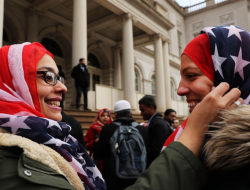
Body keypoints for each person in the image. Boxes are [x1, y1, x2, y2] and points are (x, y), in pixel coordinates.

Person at [126, 25, 250, 190]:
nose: (179, 90)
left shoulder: (240, 159)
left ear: (229, 73)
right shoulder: (192, 136)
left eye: (191, 76)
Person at [0, 42, 106, 190]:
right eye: (48, 76)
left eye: (58, 78)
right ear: (13, 82)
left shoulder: (60, 137)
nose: (63, 88)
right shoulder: (10, 159)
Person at [95, 100, 148, 190]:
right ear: (131, 113)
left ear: (116, 114)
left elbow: (100, 154)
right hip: (137, 179)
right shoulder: (142, 130)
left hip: (113, 179)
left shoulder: (108, 129)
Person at [138, 95, 172, 167]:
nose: (141, 113)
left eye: (142, 110)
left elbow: (156, 152)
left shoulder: (158, 124)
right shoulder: (155, 123)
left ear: (151, 107)